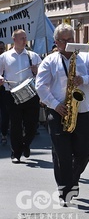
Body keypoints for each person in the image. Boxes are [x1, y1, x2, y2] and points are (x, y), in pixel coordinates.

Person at [35, 23, 89, 205]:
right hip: (58, 111)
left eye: (71, 40)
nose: (68, 44)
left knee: (84, 152)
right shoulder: (50, 61)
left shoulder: (86, 57)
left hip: (82, 111)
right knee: (62, 154)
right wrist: (55, 105)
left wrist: (84, 79)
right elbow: (40, 86)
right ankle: (65, 189)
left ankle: (72, 180)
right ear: (56, 42)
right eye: (64, 41)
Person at [0, 30, 42, 163]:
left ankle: (26, 144)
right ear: (14, 40)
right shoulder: (4, 57)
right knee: (15, 124)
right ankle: (16, 152)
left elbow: (44, 74)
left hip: (31, 94)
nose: (25, 41)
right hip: (11, 94)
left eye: (25, 38)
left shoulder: (33, 56)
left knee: (32, 124)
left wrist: (37, 70)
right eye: (21, 38)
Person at [0, 40, 10, 145]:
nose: (1, 51)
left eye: (3, 48)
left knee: (5, 112)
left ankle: (4, 133)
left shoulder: (6, 59)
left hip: (4, 89)